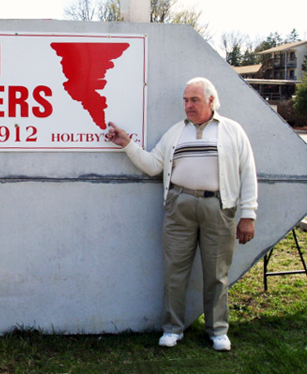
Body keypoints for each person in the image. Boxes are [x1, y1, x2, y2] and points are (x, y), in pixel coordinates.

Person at [107, 77, 257, 352]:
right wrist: (127, 143)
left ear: (211, 101)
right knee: (175, 270)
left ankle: (218, 331)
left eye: (194, 100)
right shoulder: (176, 132)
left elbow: (248, 174)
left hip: (219, 208)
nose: (188, 106)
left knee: (216, 274)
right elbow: (153, 166)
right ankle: (172, 329)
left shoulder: (232, 131)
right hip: (179, 206)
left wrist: (248, 214)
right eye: (186, 100)